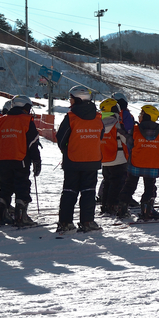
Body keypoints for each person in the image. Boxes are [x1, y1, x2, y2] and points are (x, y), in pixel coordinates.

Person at [56, 85, 104, 233]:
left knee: (69, 192)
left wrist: (67, 149)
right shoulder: (97, 117)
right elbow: (100, 136)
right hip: (92, 160)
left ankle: (65, 222)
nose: (70, 101)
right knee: (89, 192)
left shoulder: (71, 117)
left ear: (77, 99)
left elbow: (61, 138)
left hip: (73, 160)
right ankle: (87, 221)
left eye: (71, 98)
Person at [0, 95, 41, 226]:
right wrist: (36, 160)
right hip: (20, 159)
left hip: (2, 160)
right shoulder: (26, 120)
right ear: (26, 107)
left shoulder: (1, 121)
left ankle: (0, 215)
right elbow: (32, 143)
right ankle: (21, 216)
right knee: (22, 186)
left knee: (4, 187)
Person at [118, 105, 159, 220]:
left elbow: (130, 144)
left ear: (145, 116)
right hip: (152, 164)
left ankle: (122, 208)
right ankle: (147, 209)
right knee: (150, 187)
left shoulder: (135, 130)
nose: (139, 116)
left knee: (129, 185)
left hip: (136, 163)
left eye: (141, 114)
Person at [98, 98, 129, 216]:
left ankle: (105, 205)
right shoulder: (117, 123)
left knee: (107, 182)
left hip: (104, 157)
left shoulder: (99, 123)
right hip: (118, 156)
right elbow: (124, 139)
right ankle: (113, 205)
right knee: (117, 183)